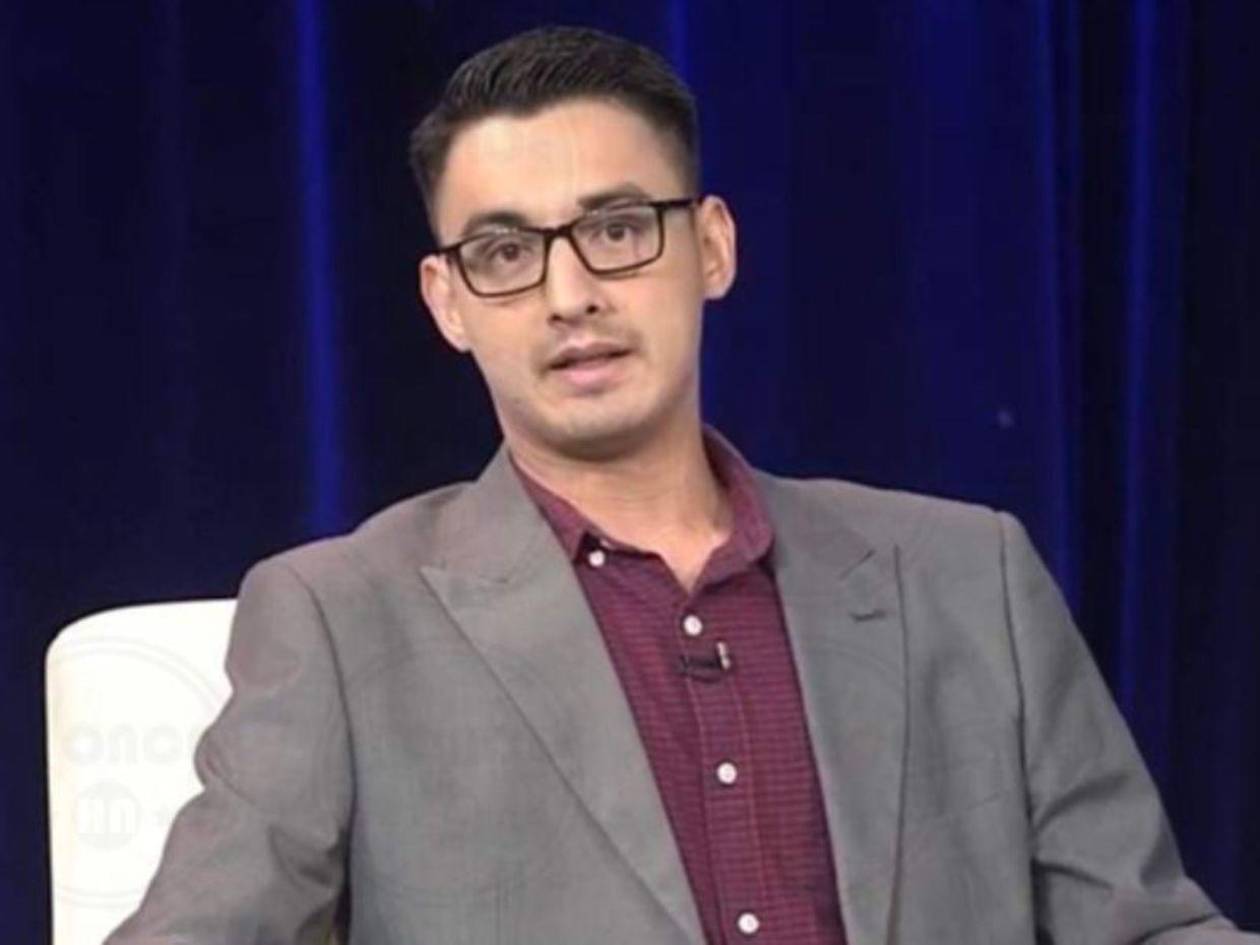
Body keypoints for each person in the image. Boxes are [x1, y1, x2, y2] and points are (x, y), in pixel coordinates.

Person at [107, 25, 1255, 945]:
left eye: (616, 229)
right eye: (504, 254)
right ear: (447, 304)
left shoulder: (967, 575)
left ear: (712, 247)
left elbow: (1146, 926)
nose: (570, 295)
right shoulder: (343, 617)